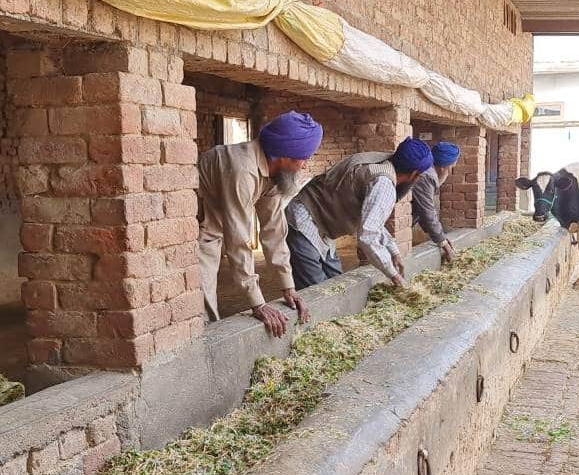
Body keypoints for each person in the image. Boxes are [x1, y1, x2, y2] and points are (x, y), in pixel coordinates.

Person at [197, 111, 322, 337]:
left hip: (215, 229)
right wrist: (257, 303)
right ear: (283, 156)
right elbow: (239, 238)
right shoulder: (242, 170)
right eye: (302, 158)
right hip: (196, 230)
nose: (304, 166)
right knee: (200, 304)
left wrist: (288, 286)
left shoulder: (276, 174)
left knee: (205, 300)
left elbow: (274, 230)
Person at [285, 137, 434, 289]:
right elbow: (368, 235)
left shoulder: (382, 165)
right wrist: (393, 275)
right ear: (414, 174)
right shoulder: (384, 184)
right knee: (315, 287)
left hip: (323, 223)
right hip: (305, 218)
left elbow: (373, 221)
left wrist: (394, 252)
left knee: (336, 282)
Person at [412, 142, 460, 263]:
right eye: (451, 167)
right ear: (443, 167)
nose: (450, 172)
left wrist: (440, 237)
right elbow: (427, 212)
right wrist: (444, 244)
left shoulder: (428, 171)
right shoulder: (427, 175)